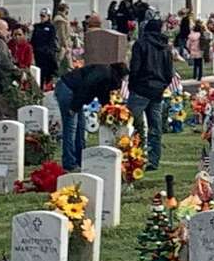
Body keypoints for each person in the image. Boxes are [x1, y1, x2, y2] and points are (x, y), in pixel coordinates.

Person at [54, 62, 129, 170]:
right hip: (68, 89)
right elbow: (85, 86)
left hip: (74, 93)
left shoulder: (107, 75)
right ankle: (69, 163)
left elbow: (102, 94)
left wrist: (109, 110)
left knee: (81, 127)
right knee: (71, 128)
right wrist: (74, 107)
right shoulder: (103, 73)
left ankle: (81, 160)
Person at [128, 16, 174, 171]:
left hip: (140, 89)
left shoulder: (140, 44)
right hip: (157, 91)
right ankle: (154, 160)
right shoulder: (166, 47)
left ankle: (134, 156)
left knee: (131, 123)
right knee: (155, 127)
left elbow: (135, 68)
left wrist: (133, 85)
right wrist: (161, 86)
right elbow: (169, 73)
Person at [30, 8, 59, 83]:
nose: (42, 18)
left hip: (47, 54)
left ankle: (47, 84)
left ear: (48, 16)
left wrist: (49, 51)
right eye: (41, 16)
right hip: (38, 53)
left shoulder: (51, 27)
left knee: (48, 72)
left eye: (44, 16)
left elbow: (51, 40)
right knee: (39, 72)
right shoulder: (37, 27)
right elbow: (33, 39)